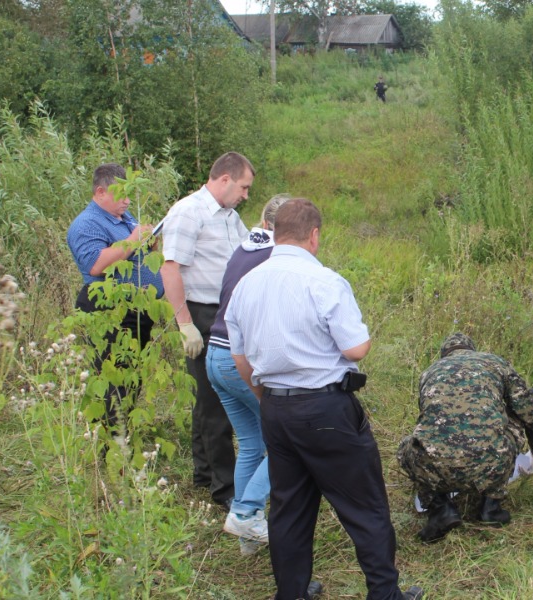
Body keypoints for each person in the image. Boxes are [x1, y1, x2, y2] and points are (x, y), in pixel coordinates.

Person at [225, 199, 422, 600]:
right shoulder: (324, 281)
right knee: (364, 506)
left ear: (275, 233)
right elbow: (356, 349)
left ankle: (292, 593)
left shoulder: (248, 283)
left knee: (288, 509)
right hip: (326, 407)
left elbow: (239, 356)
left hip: (276, 409)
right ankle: (385, 594)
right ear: (314, 236)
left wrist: (265, 398)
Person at [397, 333, 533, 543]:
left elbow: (427, 422)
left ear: (445, 353)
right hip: (491, 460)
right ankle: (491, 506)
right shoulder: (495, 362)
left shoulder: (429, 372)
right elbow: (532, 415)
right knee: (512, 421)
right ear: (471, 350)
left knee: (409, 446)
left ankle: (440, 507)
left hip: (436, 464)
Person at [161, 151, 254, 507]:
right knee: (217, 401)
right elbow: (170, 269)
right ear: (225, 179)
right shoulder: (190, 212)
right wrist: (185, 324)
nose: (245, 194)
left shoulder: (229, 216)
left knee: (206, 396)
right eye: (243, 187)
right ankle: (224, 488)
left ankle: (203, 474)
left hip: (224, 312)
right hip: (202, 312)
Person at [206, 194, 290, 556]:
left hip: (214, 353)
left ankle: (247, 536)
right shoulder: (278, 256)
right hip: (238, 358)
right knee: (286, 441)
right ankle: (245, 510)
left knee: (252, 444)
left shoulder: (245, 247)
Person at [66, 163, 163, 435]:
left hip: (138, 309)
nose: (127, 200)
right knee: (112, 377)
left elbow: (133, 251)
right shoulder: (86, 224)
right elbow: (96, 264)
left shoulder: (124, 217)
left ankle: (125, 433)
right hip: (108, 307)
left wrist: (149, 242)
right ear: (100, 192)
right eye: (121, 194)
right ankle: (113, 443)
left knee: (132, 375)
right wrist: (133, 240)